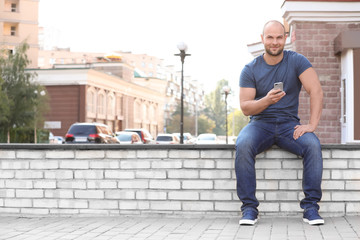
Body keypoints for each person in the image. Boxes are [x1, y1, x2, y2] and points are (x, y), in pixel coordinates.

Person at [235, 20, 324, 226]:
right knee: (243, 143)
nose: (274, 42)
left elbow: (316, 91)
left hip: (288, 124)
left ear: (285, 38)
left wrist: (312, 125)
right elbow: (246, 108)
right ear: (262, 39)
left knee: (312, 144)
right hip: (260, 123)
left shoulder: (297, 61)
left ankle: (310, 208)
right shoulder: (250, 69)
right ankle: (249, 209)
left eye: (278, 37)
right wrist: (267, 100)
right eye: (270, 37)